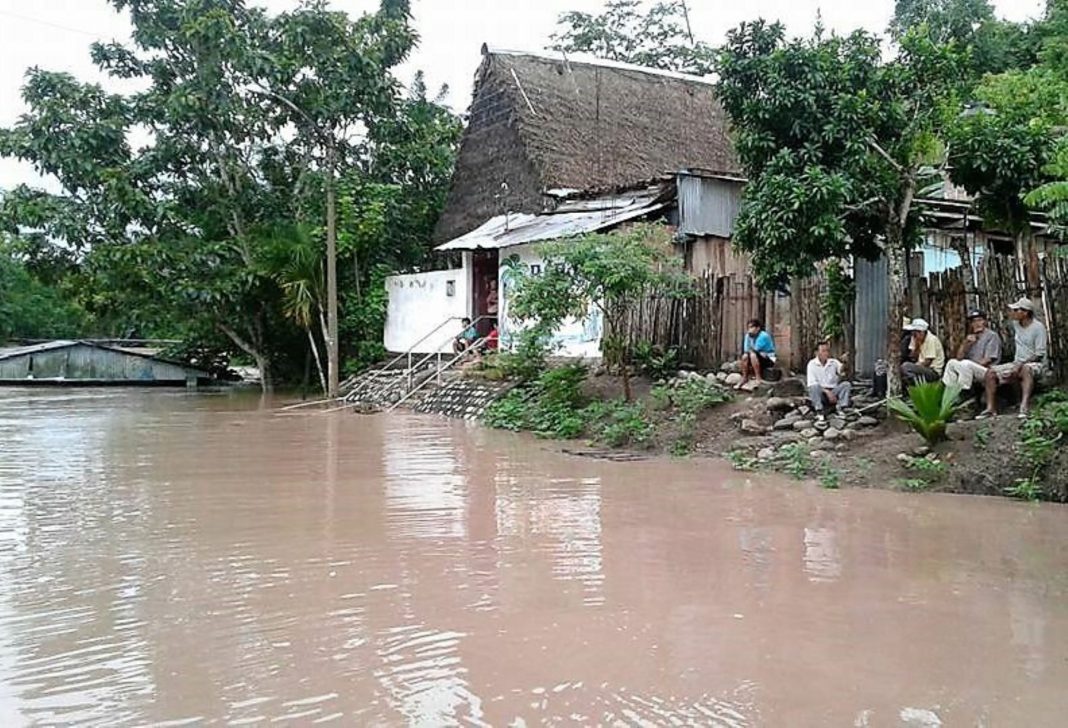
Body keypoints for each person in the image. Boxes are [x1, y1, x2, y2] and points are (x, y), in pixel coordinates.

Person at [979, 297, 1048, 419]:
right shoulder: (1017, 324)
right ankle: (990, 408)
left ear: (1025, 312)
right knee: (991, 372)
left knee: (1025, 369)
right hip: (1017, 362)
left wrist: (1020, 365)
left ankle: (1024, 406)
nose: (1013, 313)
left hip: (1035, 364)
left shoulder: (1038, 328)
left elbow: (1039, 354)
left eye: (1016, 310)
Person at [942, 310, 1002, 392]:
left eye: (980, 320)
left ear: (985, 322)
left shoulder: (991, 336)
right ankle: (949, 393)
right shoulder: (970, 337)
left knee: (965, 364)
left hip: (987, 370)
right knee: (951, 362)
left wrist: (970, 366)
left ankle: (965, 392)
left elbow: (988, 360)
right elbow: (959, 357)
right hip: (967, 368)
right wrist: (966, 343)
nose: (977, 324)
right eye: (974, 321)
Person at [807, 341, 852, 423]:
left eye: (827, 350)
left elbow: (842, 371)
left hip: (834, 391)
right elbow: (812, 383)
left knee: (846, 385)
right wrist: (827, 392)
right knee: (813, 387)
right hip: (821, 392)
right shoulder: (812, 364)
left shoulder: (833, 362)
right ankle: (819, 411)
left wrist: (845, 362)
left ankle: (841, 408)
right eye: (823, 351)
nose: (826, 353)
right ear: (817, 353)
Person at [901, 318, 945, 386]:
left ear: (921, 332)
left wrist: (915, 367)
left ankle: (919, 385)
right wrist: (917, 346)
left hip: (932, 370)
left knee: (906, 367)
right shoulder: (915, 338)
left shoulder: (931, 339)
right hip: (920, 366)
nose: (913, 335)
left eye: (915, 333)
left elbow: (928, 361)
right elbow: (913, 357)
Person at [738, 318, 776, 389]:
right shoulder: (748, 336)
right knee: (745, 356)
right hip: (757, 356)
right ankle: (744, 377)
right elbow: (746, 349)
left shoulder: (763, 336)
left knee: (752, 354)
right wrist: (749, 351)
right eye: (749, 327)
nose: (750, 329)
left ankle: (758, 378)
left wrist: (752, 351)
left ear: (758, 328)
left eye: (752, 327)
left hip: (768, 360)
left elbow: (755, 349)